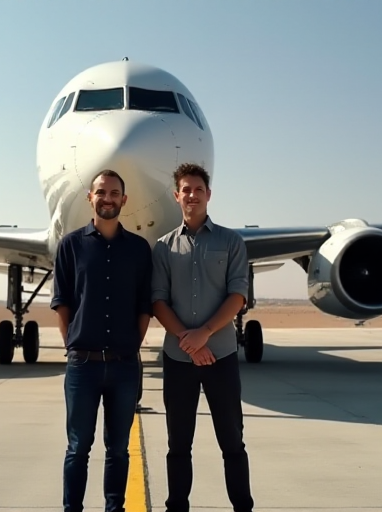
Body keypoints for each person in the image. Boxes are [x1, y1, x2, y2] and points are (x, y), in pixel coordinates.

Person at [151, 162, 254, 512]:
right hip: (180, 359)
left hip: (221, 356)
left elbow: (238, 296)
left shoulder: (232, 241)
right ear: (176, 195)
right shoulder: (163, 247)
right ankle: (176, 507)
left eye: (198, 189)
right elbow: (158, 301)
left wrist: (204, 334)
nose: (192, 195)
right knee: (178, 444)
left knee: (232, 442)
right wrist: (187, 339)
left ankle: (243, 507)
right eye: (186, 189)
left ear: (208, 194)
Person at [50, 169, 153, 512]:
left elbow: (144, 306)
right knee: (78, 447)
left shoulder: (139, 250)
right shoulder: (71, 246)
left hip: (123, 366)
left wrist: (130, 346)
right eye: (101, 192)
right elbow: (62, 301)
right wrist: (73, 345)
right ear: (89, 198)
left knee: (118, 449)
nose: (107, 198)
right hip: (83, 365)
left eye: (114, 193)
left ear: (124, 200)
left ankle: (114, 509)